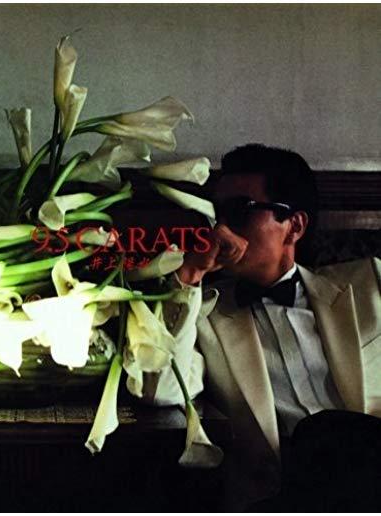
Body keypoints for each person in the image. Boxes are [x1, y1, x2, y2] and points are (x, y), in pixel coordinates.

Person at [145, 144, 381, 510]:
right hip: (282, 496)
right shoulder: (203, 315)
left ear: (294, 226)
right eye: (217, 214)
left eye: (240, 211)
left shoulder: (371, 283)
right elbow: (161, 392)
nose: (222, 229)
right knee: (318, 437)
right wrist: (189, 275)